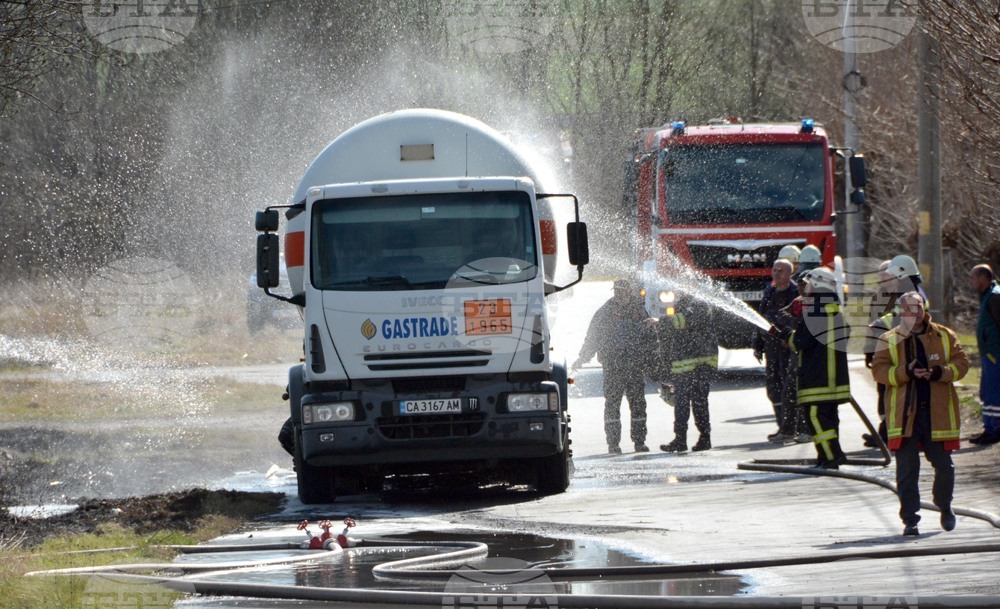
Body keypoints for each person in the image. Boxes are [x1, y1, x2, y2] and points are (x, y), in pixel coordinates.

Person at [871, 291, 969, 536]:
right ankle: (910, 520)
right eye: (908, 309)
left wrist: (939, 372)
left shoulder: (944, 335)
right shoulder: (888, 339)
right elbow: (879, 371)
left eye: (917, 308)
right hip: (905, 417)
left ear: (924, 309)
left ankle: (944, 505)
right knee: (907, 471)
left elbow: (962, 363)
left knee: (945, 467)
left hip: (937, 415)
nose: (913, 314)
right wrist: (906, 372)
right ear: (900, 312)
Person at [781, 266, 851, 469]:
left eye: (809, 283)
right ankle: (827, 456)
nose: (806, 287)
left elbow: (800, 342)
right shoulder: (836, 312)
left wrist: (786, 335)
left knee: (816, 418)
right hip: (835, 381)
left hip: (816, 380)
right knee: (829, 419)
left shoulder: (813, 312)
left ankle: (832, 457)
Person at [574, 279, 652, 454]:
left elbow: (650, 336)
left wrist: (653, 360)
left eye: (622, 290)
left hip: (635, 366)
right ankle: (613, 444)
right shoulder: (605, 312)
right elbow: (592, 337)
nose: (619, 294)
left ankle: (639, 442)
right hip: (613, 366)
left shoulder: (639, 311)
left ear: (629, 292)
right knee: (612, 405)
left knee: (638, 404)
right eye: (616, 290)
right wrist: (582, 358)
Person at [655, 292, 718, 452]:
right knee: (681, 402)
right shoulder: (683, 304)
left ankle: (704, 438)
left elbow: (684, 321)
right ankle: (680, 440)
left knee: (698, 402)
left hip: (699, 363)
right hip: (684, 363)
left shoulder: (699, 303)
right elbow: (672, 336)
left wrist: (661, 321)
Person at [753, 259, 799, 441]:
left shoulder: (795, 293)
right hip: (771, 348)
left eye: (781, 270)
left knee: (788, 388)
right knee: (773, 388)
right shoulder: (769, 292)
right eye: (774, 270)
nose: (777, 274)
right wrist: (757, 344)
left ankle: (791, 427)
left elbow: (797, 321)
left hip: (786, 349)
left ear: (790, 273)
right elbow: (760, 319)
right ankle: (782, 426)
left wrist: (788, 337)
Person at [969, 264, 1000, 445]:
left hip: (995, 353)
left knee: (994, 393)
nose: (971, 282)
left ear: (983, 278)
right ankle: (989, 428)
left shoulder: (995, 296)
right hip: (989, 354)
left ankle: (995, 429)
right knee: (987, 393)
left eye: (973, 278)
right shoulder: (988, 295)